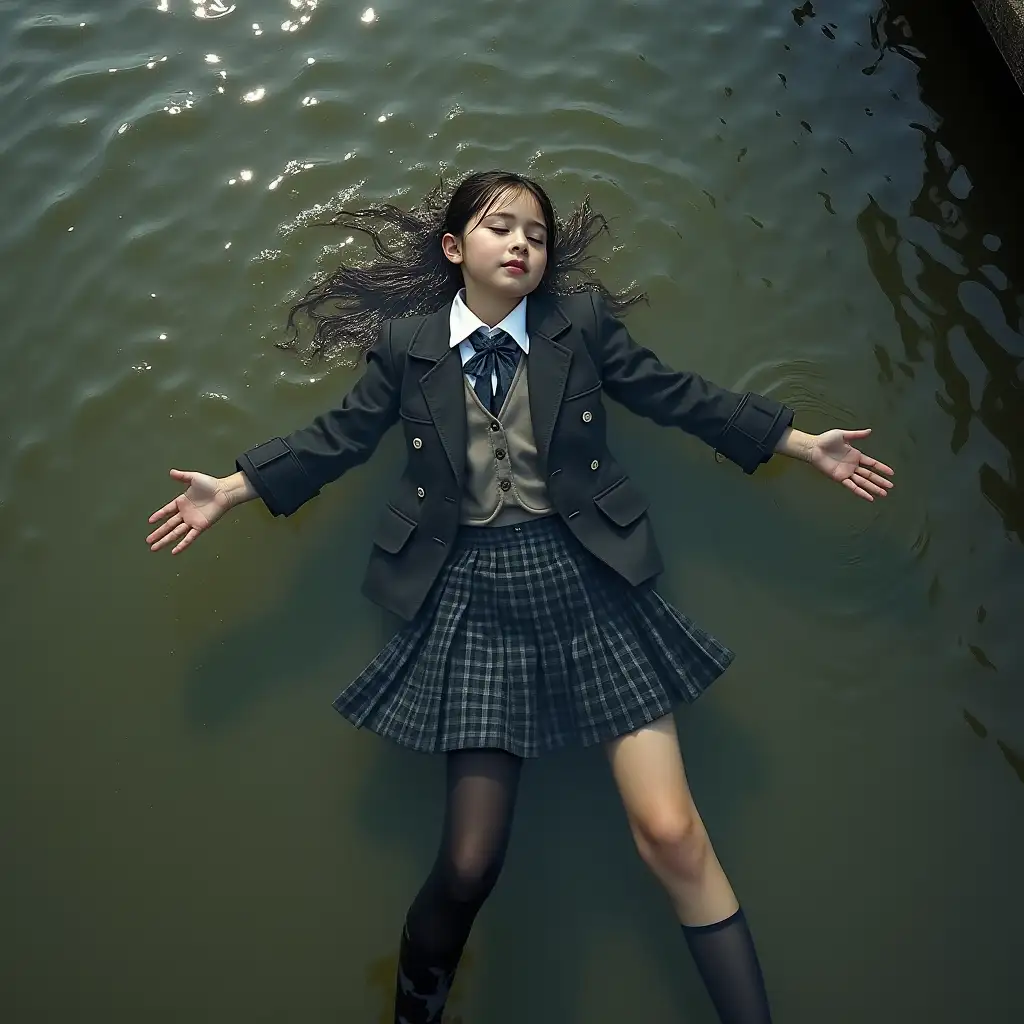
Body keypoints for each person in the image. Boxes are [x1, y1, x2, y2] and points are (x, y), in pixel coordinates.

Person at [146, 170, 894, 1023]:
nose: (522, 245)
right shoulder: (407, 345)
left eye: (537, 235)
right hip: (469, 592)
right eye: (502, 228)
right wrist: (235, 488)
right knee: (470, 863)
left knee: (673, 835)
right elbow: (339, 438)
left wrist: (800, 443)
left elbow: (675, 394)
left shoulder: (579, 329)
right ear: (455, 248)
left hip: (590, 577)